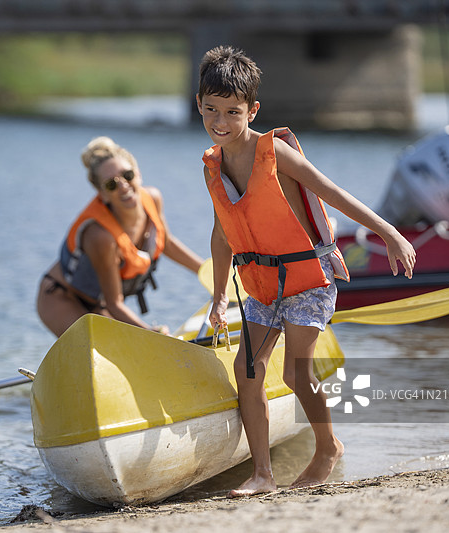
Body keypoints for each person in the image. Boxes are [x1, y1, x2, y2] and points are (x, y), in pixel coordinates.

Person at [195, 46, 416, 496]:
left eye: (233, 112)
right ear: (199, 104)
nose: (221, 121)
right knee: (247, 371)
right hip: (261, 285)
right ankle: (262, 475)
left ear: (252, 110)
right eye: (212, 109)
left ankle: (327, 448)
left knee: (296, 373)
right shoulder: (213, 167)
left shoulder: (274, 152)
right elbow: (222, 235)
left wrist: (389, 232)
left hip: (308, 279)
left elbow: (332, 192)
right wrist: (218, 297)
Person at [37, 136, 204, 337]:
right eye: (111, 184)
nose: (123, 186)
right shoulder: (101, 236)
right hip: (61, 297)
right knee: (97, 347)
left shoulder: (153, 199)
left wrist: (211, 274)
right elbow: (115, 303)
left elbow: (166, 243)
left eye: (128, 175)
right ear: (102, 194)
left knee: (124, 346)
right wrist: (151, 333)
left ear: (138, 173)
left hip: (99, 303)